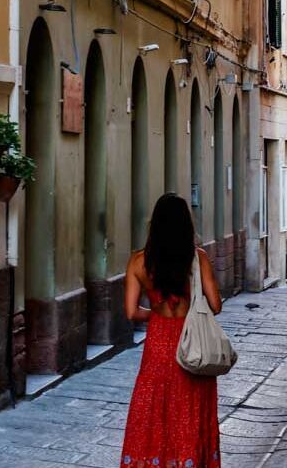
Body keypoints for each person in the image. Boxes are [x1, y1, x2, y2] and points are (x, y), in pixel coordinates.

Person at [120, 193, 223, 468]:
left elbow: (131, 312)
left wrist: (154, 313)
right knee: (189, 407)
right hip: (192, 341)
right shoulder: (197, 258)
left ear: (155, 224)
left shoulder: (138, 262)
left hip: (158, 341)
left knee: (155, 407)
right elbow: (215, 304)